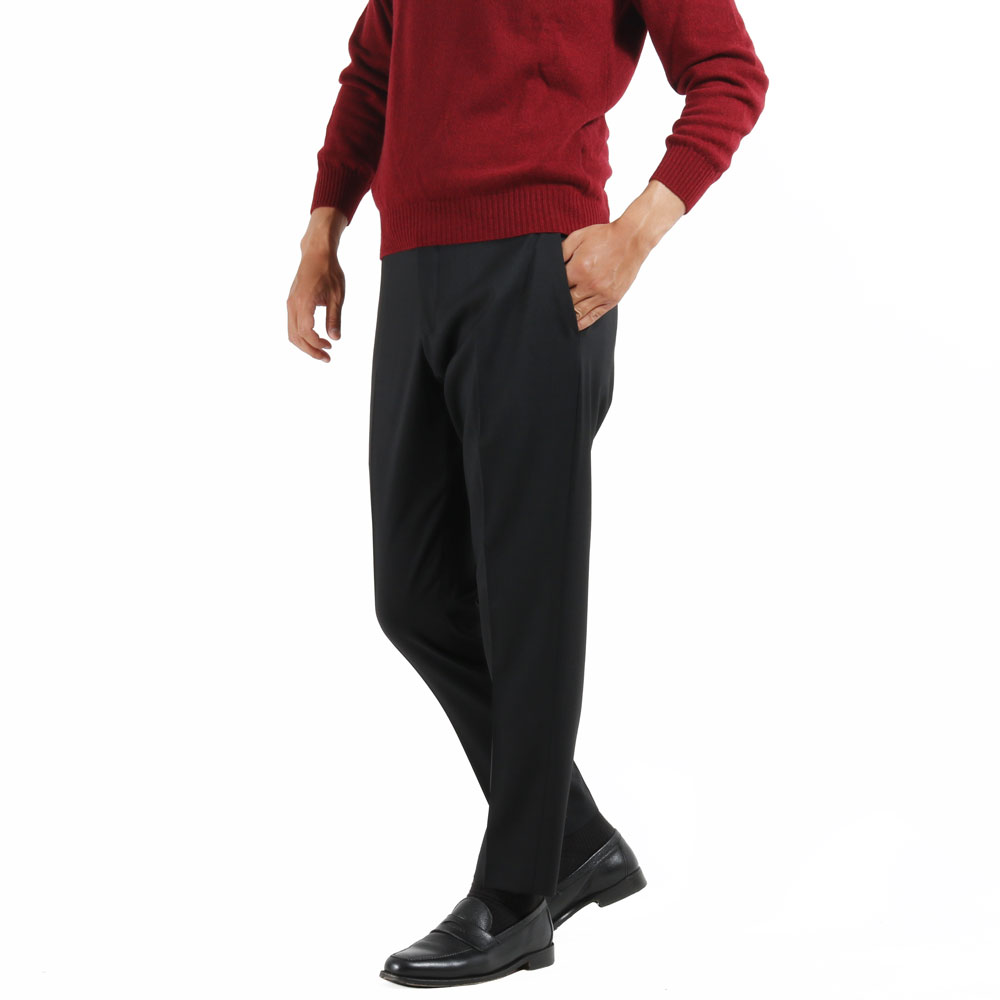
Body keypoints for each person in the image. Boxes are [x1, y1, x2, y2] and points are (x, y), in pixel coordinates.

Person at [286, 0, 768, 987]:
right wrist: (322, 228)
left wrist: (635, 233)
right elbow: (374, 71)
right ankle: (574, 839)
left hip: (539, 264)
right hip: (413, 270)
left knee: (525, 600)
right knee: (414, 596)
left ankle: (516, 899)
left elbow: (730, 75)